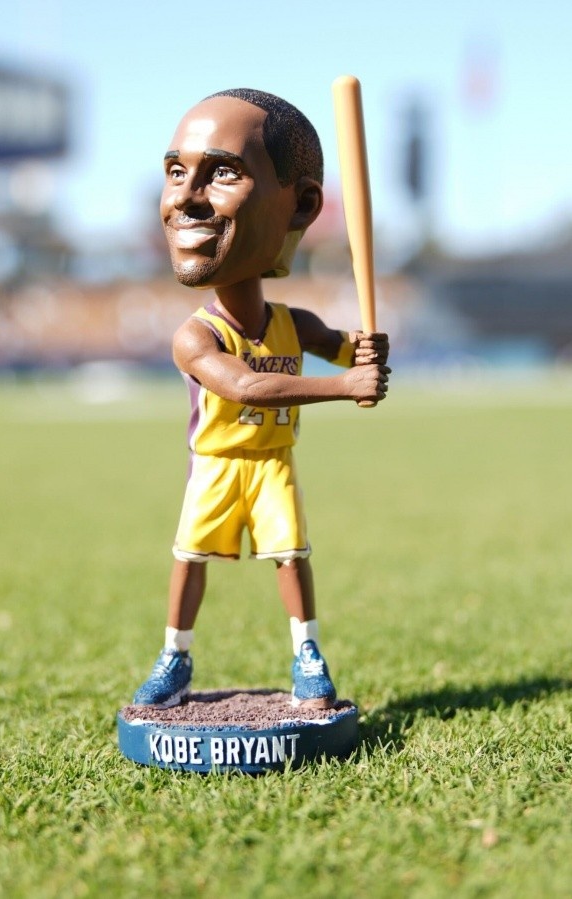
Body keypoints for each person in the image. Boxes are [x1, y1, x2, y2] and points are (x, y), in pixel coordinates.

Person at [134, 87, 390, 710]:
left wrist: (366, 349)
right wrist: (345, 385)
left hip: (273, 463)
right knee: (190, 558)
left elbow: (343, 347)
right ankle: (174, 655)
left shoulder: (292, 323)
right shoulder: (197, 336)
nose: (185, 196)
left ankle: (308, 654)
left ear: (300, 206)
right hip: (216, 466)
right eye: (175, 172)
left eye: (223, 172)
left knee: (291, 557)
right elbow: (245, 385)